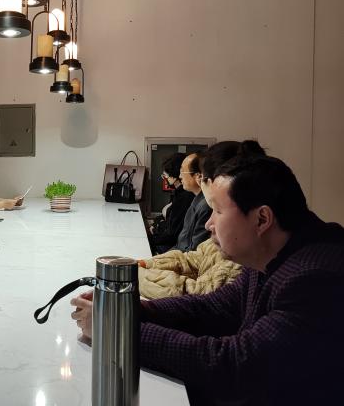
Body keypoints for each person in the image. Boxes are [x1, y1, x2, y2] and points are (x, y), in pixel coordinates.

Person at [71, 155, 344, 405]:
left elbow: (233, 366)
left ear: (262, 219)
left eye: (218, 211)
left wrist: (114, 331)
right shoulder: (271, 255)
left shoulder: (316, 279)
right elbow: (213, 307)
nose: (208, 224)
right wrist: (127, 310)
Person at [138, 141, 265, 299]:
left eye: (218, 211)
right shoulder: (234, 238)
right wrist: (145, 264)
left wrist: (135, 276)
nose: (208, 224)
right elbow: (195, 258)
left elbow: (198, 297)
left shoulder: (243, 257)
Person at [154, 152, 211, 254]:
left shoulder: (203, 205)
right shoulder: (195, 200)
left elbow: (191, 251)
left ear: (198, 176)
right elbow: (182, 242)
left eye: (182, 172)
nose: (180, 176)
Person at [148, 153, 194, 251]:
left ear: (175, 176)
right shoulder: (177, 193)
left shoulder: (185, 197)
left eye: (165, 176)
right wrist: (157, 225)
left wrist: (153, 235)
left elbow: (172, 233)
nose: (164, 179)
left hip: (170, 245)